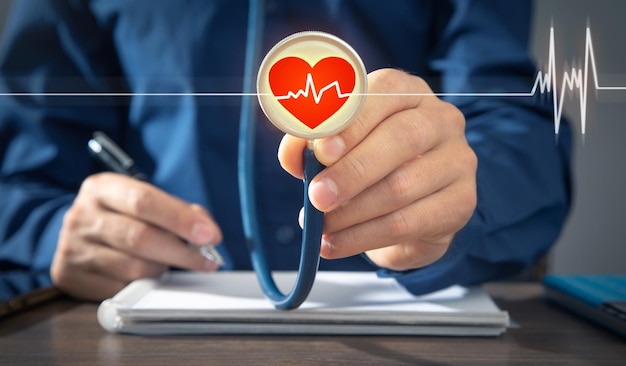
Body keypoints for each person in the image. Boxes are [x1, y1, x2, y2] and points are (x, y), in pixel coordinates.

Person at [0, 0, 571, 301]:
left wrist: (459, 194)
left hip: (396, 321)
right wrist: (62, 233)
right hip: (156, 318)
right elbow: (20, 174)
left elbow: (516, 124)